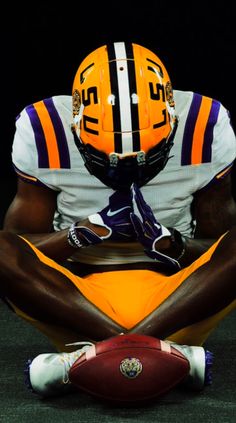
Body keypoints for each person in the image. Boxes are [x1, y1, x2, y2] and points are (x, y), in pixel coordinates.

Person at [1, 41, 236, 399]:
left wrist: (172, 244)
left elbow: (223, 247)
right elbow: (16, 248)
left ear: (173, 118)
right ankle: (161, 352)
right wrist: (79, 235)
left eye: (150, 154)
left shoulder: (205, 124)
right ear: (75, 124)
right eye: (105, 157)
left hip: (180, 296)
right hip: (73, 298)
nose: (129, 170)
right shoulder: (43, 127)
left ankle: (87, 356)